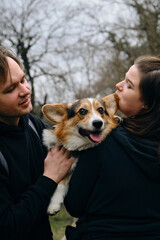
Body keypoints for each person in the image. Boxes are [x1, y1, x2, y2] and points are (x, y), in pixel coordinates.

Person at [64, 56, 160, 240]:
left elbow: (74, 204)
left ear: (147, 103)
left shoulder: (102, 139)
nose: (118, 85)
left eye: (129, 85)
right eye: (124, 78)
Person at [0, 46, 76, 240]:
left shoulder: (34, 126)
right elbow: (7, 227)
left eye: (23, 80)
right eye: (11, 89)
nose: (25, 90)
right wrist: (49, 178)